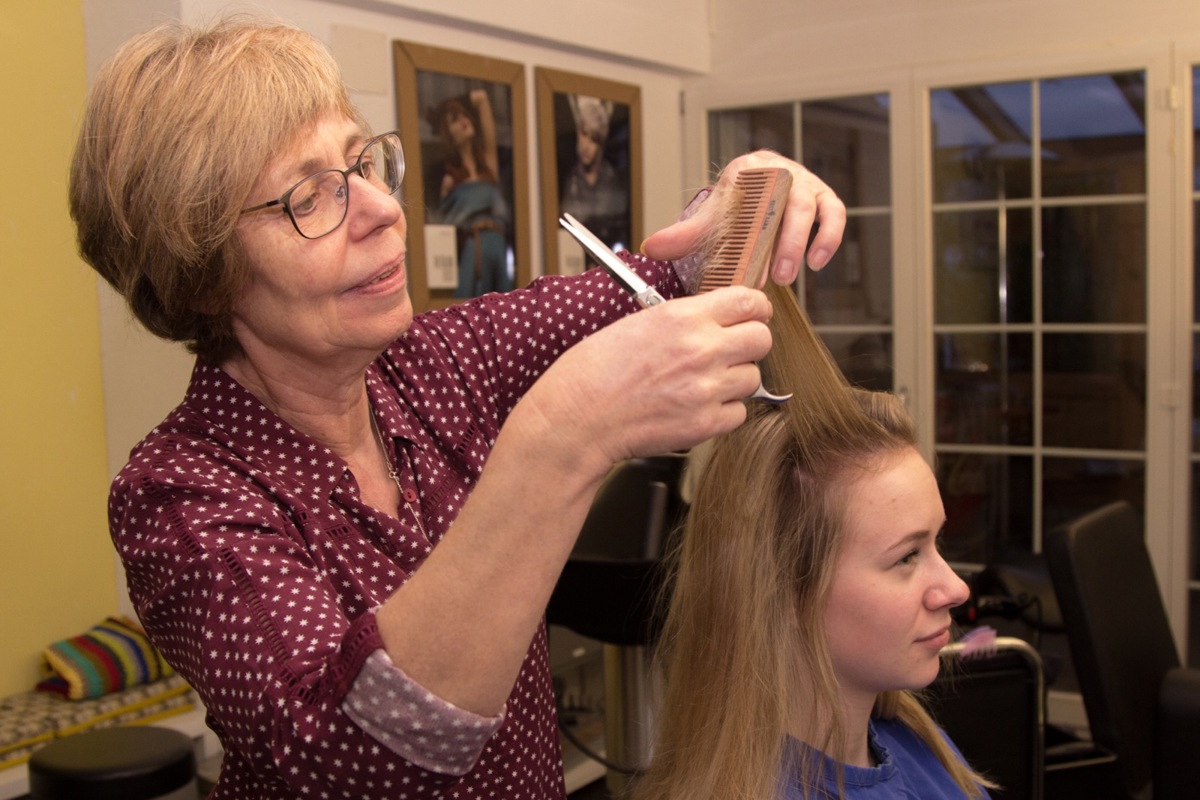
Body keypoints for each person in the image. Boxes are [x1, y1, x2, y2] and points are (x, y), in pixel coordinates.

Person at [67, 13, 845, 800]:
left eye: (363, 164)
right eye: (312, 198)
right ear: (202, 275)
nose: (382, 210)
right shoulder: (181, 495)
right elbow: (362, 759)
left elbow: (676, 276)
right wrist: (565, 434)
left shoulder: (437, 362)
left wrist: (756, 187)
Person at [634, 281, 994, 800]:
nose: (955, 588)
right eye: (907, 557)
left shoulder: (920, 744)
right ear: (782, 593)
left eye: (937, 544)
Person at [432, 88, 512, 297]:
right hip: (474, 246)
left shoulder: (488, 167)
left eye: (464, 115)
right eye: (454, 120)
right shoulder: (451, 180)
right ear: (448, 134)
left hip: (499, 243)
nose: (463, 121)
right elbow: (443, 231)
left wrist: (455, 103)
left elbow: (482, 98)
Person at [559, 93, 629, 251]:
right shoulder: (569, 181)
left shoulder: (612, 181)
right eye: (584, 134)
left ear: (601, 144)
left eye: (594, 139)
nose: (586, 145)